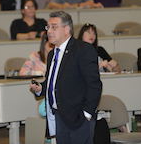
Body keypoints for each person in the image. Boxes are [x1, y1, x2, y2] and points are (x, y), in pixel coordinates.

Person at [30, 11, 102, 144]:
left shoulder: (83, 49)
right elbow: (54, 82)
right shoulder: (52, 54)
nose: (49, 31)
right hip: (59, 117)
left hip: (78, 118)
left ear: (67, 29)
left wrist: (86, 114)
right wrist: (40, 88)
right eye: (48, 27)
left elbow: (94, 85)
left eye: (54, 27)